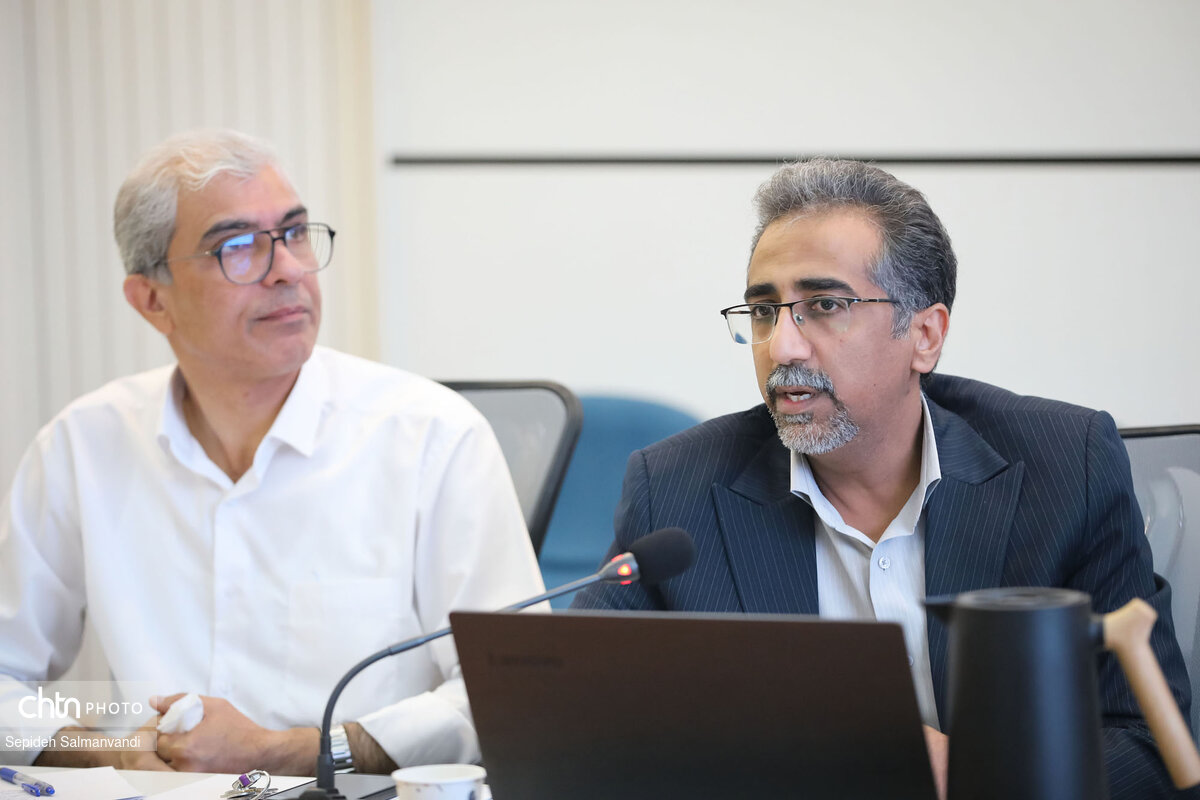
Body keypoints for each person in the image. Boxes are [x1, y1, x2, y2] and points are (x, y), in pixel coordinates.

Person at [572, 158, 1191, 799]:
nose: (782, 347)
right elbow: (582, 727)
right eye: (763, 312)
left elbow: (1153, 750)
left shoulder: (1066, 467)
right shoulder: (675, 488)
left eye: (825, 305)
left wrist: (975, 775)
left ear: (925, 335)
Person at [0, 129, 545, 775]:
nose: (287, 269)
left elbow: (514, 693)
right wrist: (110, 752)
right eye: (237, 247)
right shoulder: (82, 447)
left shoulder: (432, 437)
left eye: (293, 233)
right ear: (152, 300)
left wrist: (282, 753)